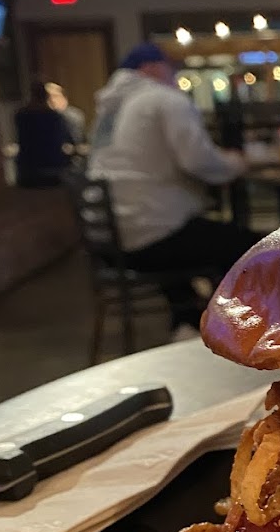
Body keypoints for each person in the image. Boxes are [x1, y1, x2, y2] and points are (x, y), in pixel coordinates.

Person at [89, 42, 255, 336]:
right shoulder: (164, 99)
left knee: (195, 232)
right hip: (151, 237)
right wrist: (237, 163)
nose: (174, 76)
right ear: (152, 67)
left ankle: (187, 320)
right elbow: (199, 161)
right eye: (170, 68)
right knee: (252, 247)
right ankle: (240, 333)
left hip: (110, 242)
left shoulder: (108, 111)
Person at [14, 81, 73, 188]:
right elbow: (62, 140)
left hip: (28, 170)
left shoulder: (22, 116)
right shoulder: (54, 117)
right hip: (53, 169)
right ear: (46, 97)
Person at [45, 83, 87, 149]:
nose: (52, 100)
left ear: (65, 99)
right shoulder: (41, 119)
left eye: (55, 96)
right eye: (48, 97)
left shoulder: (74, 116)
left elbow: (78, 140)